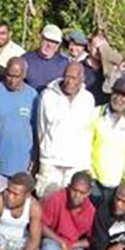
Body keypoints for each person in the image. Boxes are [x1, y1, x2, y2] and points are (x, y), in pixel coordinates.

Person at [36, 62, 96, 198]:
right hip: (51, 162)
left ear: (82, 79)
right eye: (67, 77)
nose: (69, 82)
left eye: (74, 78)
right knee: (47, 201)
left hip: (77, 163)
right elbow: (41, 128)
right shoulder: (47, 96)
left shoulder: (88, 99)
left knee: (72, 204)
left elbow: (88, 131)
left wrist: (86, 163)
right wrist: (45, 154)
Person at [0, 57, 38, 194]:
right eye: (9, 75)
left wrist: (34, 157)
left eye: (16, 76)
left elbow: (36, 129)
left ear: (24, 75)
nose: (11, 80)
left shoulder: (33, 95)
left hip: (23, 162)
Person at [87, 76, 125, 207]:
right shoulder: (96, 114)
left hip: (117, 183)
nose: (119, 99)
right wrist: (89, 173)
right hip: (93, 179)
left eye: (124, 96)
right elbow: (86, 145)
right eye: (116, 93)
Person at [40, 172, 96, 250]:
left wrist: (71, 245)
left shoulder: (91, 211)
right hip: (53, 238)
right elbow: (41, 225)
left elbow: (91, 239)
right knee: (50, 249)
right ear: (69, 187)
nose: (77, 196)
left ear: (88, 193)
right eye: (74, 190)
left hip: (72, 244)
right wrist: (61, 242)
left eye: (82, 193)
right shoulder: (56, 199)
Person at [22, 24, 69, 92]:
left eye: (54, 42)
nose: (49, 45)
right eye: (47, 40)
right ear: (40, 38)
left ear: (58, 45)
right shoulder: (25, 59)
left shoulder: (64, 64)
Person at [85, 32, 123, 106]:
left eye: (104, 48)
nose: (100, 52)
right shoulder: (80, 68)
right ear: (89, 47)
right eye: (97, 48)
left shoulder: (109, 70)